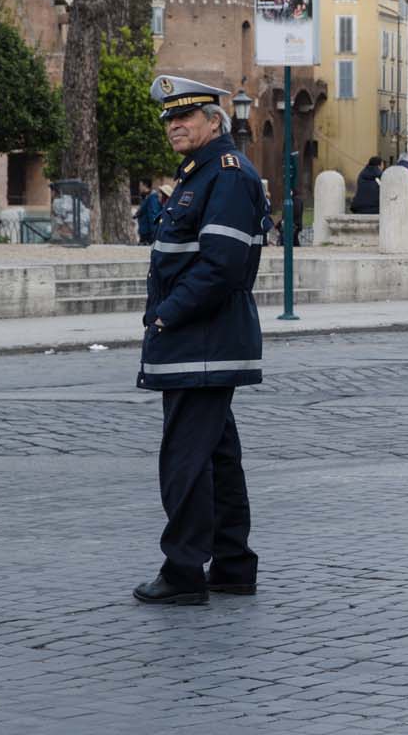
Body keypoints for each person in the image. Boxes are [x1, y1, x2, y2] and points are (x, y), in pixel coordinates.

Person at [134, 74, 267, 606]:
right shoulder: (202, 174)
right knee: (216, 456)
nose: (174, 125)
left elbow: (220, 265)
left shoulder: (226, 175)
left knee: (185, 459)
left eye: (185, 116)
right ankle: (233, 564)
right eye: (169, 117)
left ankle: (184, 569)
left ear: (216, 121)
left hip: (201, 339)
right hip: (203, 339)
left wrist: (166, 316)